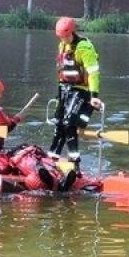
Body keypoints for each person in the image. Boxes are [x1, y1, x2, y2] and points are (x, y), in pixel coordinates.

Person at [49, 16, 103, 162]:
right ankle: (52, 157)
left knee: (68, 123)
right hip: (65, 89)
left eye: (66, 36)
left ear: (72, 32)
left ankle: (74, 161)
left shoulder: (84, 47)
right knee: (59, 123)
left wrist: (94, 95)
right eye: (61, 37)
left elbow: (93, 73)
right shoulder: (62, 45)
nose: (64, 39)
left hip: (81, 91)